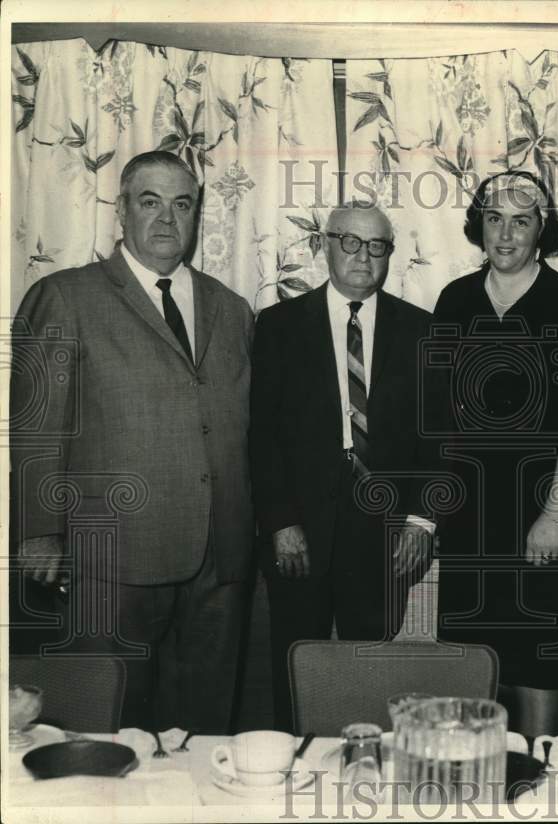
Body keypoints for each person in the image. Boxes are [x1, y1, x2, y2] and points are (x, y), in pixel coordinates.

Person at [10, 151, 255, 733]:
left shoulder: (232, 307)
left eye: (182, 203)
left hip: (218, 559)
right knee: (105, 730)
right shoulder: (66, 296)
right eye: (150, 201)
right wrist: (41, 531)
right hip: (112, 557)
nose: (167, 218)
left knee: (205, 729)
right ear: (121, 210)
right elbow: (37, 425)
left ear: (198, 214)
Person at [432, 171, 558, 737]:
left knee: (539, 648)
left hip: (543, 505)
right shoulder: (454, 300)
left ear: (541, 231)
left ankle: (540, 777)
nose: (505, 234)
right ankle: (474, 782)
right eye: (494, 218)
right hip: (470, 509)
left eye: (521, 221)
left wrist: (554, 516)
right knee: (472, 649)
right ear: (479, 225)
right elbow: (438, 418)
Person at [250, 203, 437, 732]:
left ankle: (363, 780)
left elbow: (440, 437)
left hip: (384, 534)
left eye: (376, 246)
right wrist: (281, 522)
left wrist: (422, 521)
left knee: (368, 670)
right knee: (295, 662)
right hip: (299, 530)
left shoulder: (420, 330)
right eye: (350, 242)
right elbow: (261, 435)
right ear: (325, 245)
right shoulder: (279, 324)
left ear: (389, 256)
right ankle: (293, 774)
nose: (363, 256)